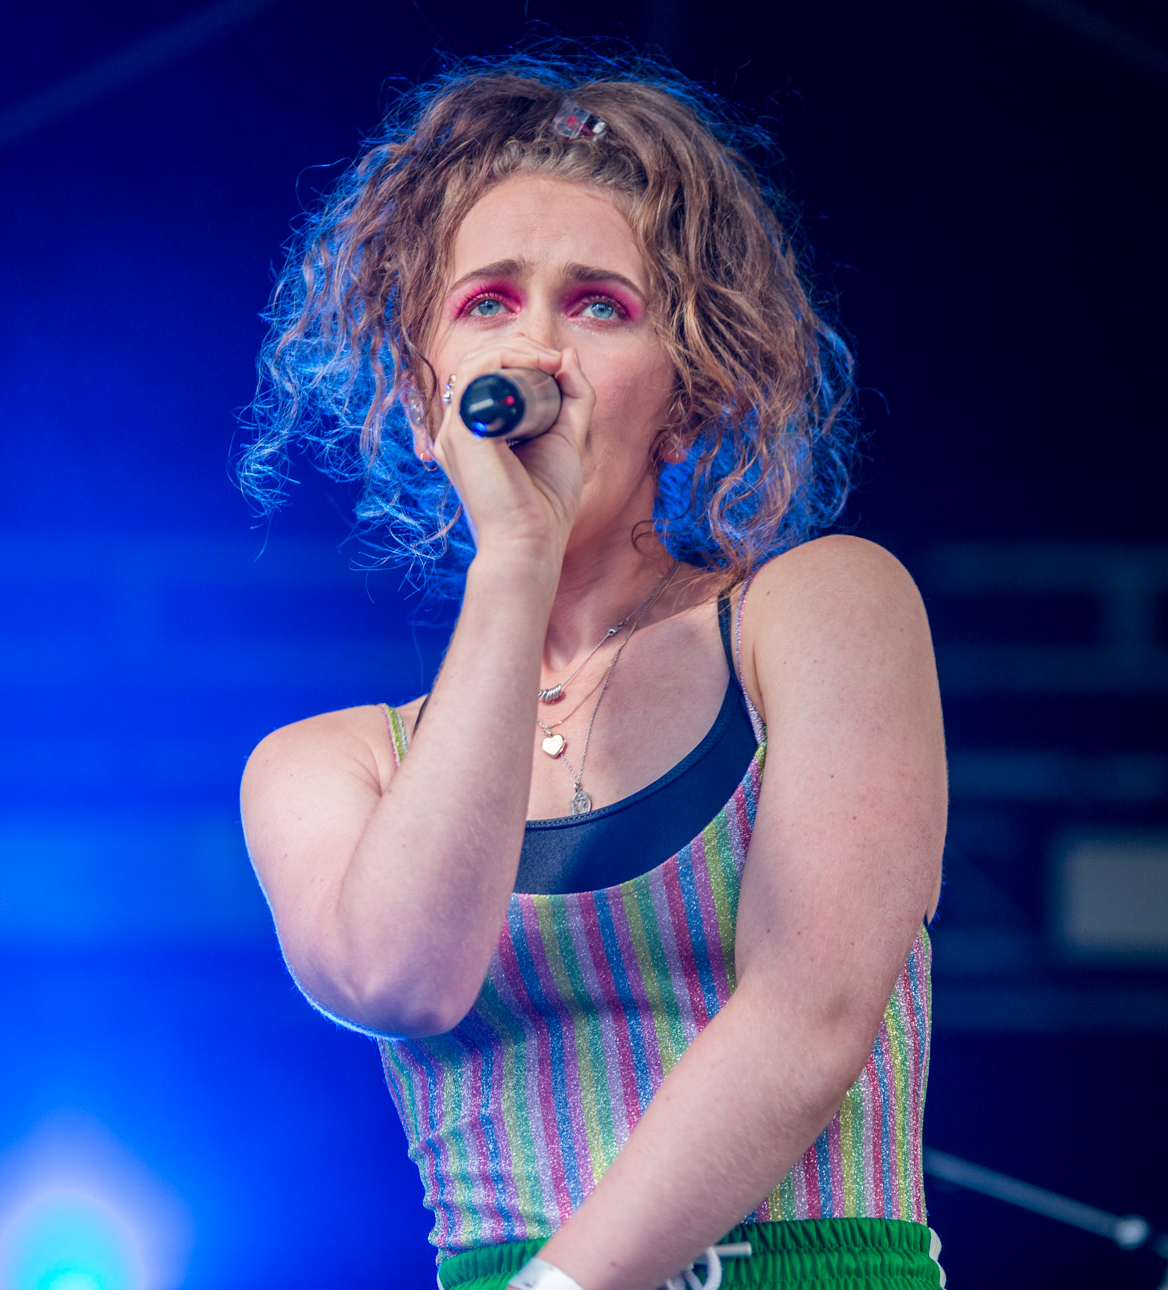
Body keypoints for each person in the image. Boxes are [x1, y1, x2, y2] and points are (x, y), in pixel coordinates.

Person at [236, 52, 948, 1290]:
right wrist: (515, 563)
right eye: (489, 303)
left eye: (600, 306)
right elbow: (404, 979)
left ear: (688, 391)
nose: (541, 347)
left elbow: (812, 1017)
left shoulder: (822, 609)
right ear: (425, 400)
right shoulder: (320, 767)